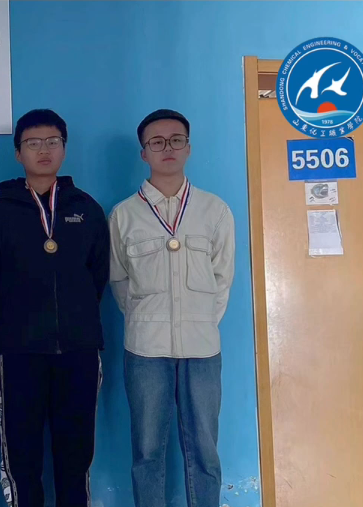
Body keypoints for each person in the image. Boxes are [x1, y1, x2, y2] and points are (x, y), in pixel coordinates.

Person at [0, 109, 109, 507]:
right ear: (18, 153)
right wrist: (15, 321)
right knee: (21, 458)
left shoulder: (86, 208)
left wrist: (74, 316)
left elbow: (97, 276)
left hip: (79, 350)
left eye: (52, 142)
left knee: (76, 457)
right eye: (33, 143)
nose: (44, 150)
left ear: (64, 148)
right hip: (19, 352)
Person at [108, 109, 235, 507]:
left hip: (202, 349)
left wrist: (198, 322)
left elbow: (222, 279)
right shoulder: (124, 215)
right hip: (145, 349)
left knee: (205, 452)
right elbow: (119, 281)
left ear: (188, 148)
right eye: (157, 142)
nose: (168, 148)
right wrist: (148, 320)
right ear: (143, 153)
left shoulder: (215, 210)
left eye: (176, 140)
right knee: (147, 452)